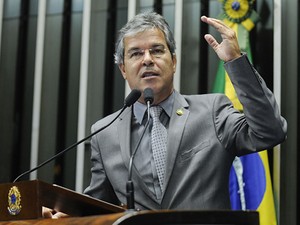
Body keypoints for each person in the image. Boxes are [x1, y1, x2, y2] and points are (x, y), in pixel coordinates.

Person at [44, 11, 287, 217]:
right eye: (136, 53)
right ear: (123, 70)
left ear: (173, 61)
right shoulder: (104, 132)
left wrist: (235, 61)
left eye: (157, 50)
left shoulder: (212, 111)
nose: (147, 59)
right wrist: (70, 217)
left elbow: (270, 132)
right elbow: (101, 207)